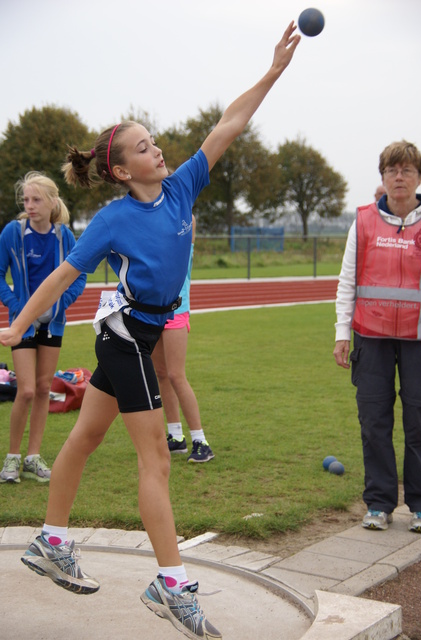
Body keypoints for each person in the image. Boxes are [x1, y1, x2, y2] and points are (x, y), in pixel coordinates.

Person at [0, 23, 300, 639]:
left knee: (83, 437)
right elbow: (59, 277)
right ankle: (171, 584)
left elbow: (227, 126)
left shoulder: (182, 185)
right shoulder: (113, 219)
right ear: (118, 170)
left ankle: (51, 541)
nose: (157, 149)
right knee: (156, 456)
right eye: (142, 146)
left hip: (137, 329)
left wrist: (272, 72)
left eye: (155, 140)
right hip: (126, 337)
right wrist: (18, 327)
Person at [333, 141, 421, 534]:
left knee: (420, 422)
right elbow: (347, 281)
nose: (399, 177)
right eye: (392, 170)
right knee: (373, 420)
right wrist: (342, 333)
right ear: (383, 177)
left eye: (406, 170)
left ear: (420, 176)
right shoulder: (364, 221)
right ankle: (379, 502)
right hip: (370, 337)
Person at [0, 172, 86, 485]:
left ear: (52, 202)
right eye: (26, 200)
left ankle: (33, 458)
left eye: (36, 199)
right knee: (25, 391)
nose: (30, 205)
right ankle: (11, 459)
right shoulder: (13, 232)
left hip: (54, 324)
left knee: (43, 388)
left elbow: (79, 275)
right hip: (21, 324)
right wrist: (15, 304)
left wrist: (63, 303)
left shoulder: (65, 237)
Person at [152, 215, 215, 463]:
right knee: (162, 374)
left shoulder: (183, 221)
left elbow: (189, 218)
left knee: (176, 375)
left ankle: (201, 441)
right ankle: (175, 436)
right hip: (152, 310)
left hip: (176, 309)